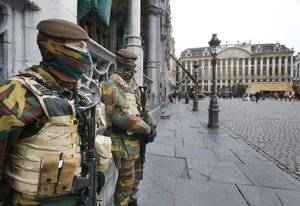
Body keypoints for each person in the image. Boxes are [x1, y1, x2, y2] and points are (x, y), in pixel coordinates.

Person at [0, 19, 101, 205]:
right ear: (54, 49)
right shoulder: (15, 94)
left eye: (86, 48)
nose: (86, 55)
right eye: (79, 46)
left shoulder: (82, 94)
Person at [101, 49, 157, 206]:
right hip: (122, 142)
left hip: (137, 141)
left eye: (134, 64)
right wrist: (146, 129)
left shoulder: (131, 84)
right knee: (126, 181)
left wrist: (152, 124)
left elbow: (141, 109)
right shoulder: (112, 84)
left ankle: (133, 202)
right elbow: (119, 115)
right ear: (122, 63)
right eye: (131, 64)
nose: (133, 67)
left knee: (136, 177)